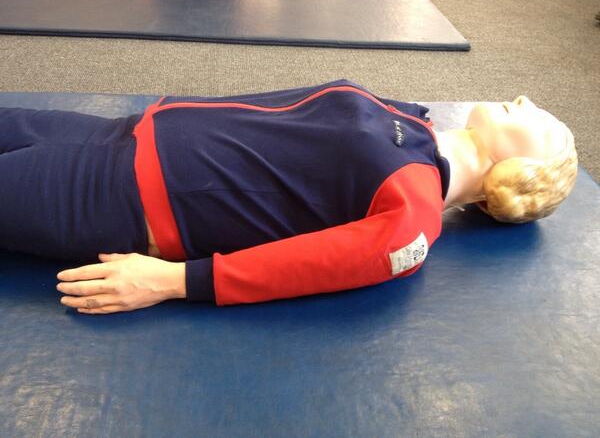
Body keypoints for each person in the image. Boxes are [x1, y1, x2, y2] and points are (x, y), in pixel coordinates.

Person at [0, 80, 577, 314]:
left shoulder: (413, 217)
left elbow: (300, 268)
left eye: (544, 123)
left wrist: (171, 282)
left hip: (119, 197)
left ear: (524, 171)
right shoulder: (413, 121)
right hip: (125, 133)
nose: (527, 100)